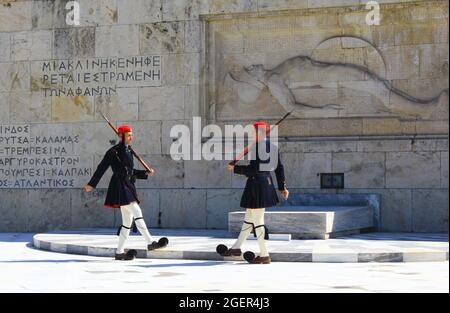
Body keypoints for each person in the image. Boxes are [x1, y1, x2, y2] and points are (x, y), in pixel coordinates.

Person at [83, 125, 168, 260]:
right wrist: (91, 184)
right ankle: (150, 242)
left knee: (127, 223)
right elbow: (101, 168)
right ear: (121, 136)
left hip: (128, 185)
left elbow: (130, 171)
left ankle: (119, 252)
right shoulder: (114, 152)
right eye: (128, 135)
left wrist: (145, 173)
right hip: (120, 186)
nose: (131, 137)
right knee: (137, 212)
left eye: (131, 135)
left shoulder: (128, 151)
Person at [217, 121, 289, 264]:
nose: (252, 134)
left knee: (258, 221)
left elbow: (254, 170)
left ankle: (264, 255)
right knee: (249, 218)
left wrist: (235, 169)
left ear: (261, 133)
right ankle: (237, 248)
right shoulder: (272, 147)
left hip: (257, 186)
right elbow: (279, 168)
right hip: (264, 184)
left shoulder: (258, 148)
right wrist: (282, 187)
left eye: (255, 132)